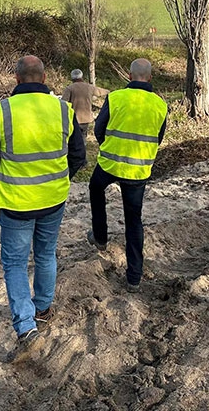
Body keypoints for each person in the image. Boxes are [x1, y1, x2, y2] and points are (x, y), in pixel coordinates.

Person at [0, 55, 86, 362]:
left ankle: (26, 328)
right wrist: (59, 182)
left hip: (16, 204)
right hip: (53, 199)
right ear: (45, 76)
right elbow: (78, 155)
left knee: (14, 263)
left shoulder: (3, 111)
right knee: (46, 253)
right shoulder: (63, 110)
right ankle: (43, 308)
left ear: (17, 79)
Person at [86, 58, 167, 293]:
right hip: (138, 170)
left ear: (129, 76)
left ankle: (100, 237)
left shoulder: (116, 97)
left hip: (110, 164)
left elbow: (99, 129)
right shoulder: (160, 105)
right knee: (134, 221)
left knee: (95, 188)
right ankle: (134, 277)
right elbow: (158, 137)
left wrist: (110, 147)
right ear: (149, 78)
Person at [61, 69, 109, 139]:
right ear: (81, 77)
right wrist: (111, 92)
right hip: (86, 119)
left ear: (72, 78)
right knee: (83, 138)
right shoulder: (89, 87)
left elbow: (63, 103)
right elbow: (100, 91)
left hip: (74, 119)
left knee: (73, 139)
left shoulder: (69, 89)